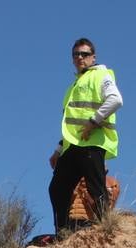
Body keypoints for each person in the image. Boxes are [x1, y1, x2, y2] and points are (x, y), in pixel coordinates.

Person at [48, 38, 122, 235]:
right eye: (76, 54)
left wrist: (93, 122)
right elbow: (73, 125)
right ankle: (63, 232)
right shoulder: (74, 86)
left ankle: (106, 230)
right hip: (73, 145)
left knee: (96, 189)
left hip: (92, 143)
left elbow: (115, 99)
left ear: (93, 57)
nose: (80, 57)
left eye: (84, 54)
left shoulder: (100, 75)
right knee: (57, 188)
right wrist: (58, 149)